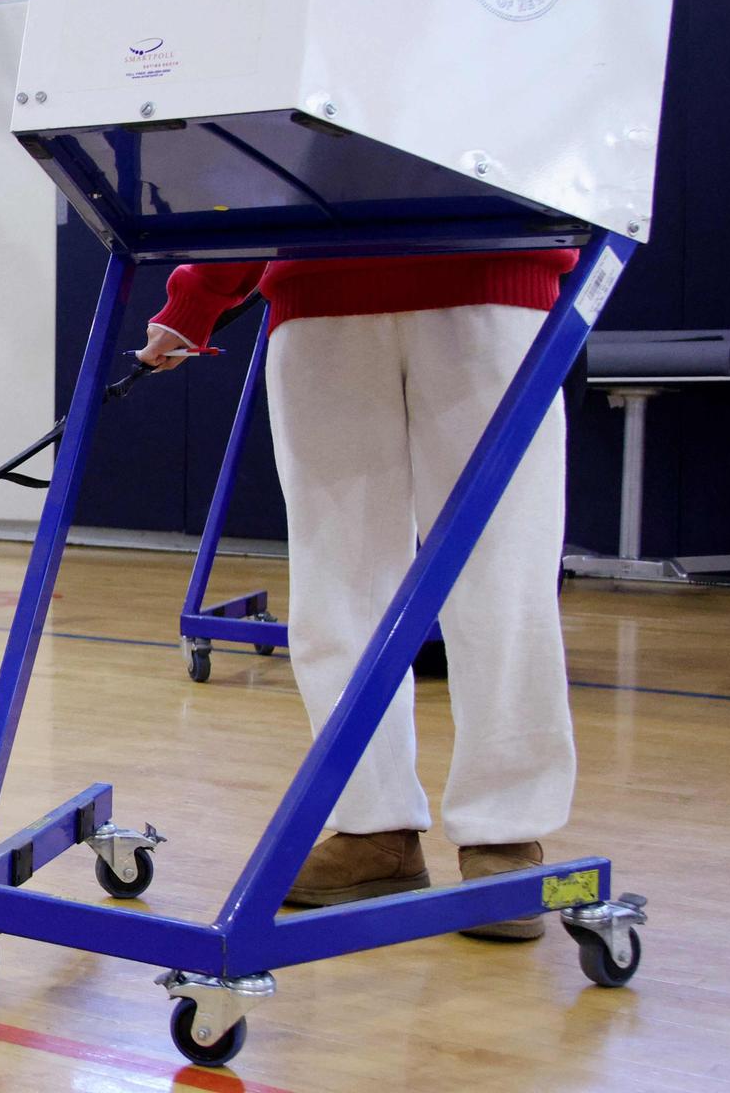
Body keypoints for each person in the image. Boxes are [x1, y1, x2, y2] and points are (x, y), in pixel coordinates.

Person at [138, 244, 577, 939]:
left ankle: (505, 831)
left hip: (491, 275)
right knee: (336, 592)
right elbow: (270, 155)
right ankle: (374, 829)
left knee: (502, 579)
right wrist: (199, 297)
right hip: (320, 297)